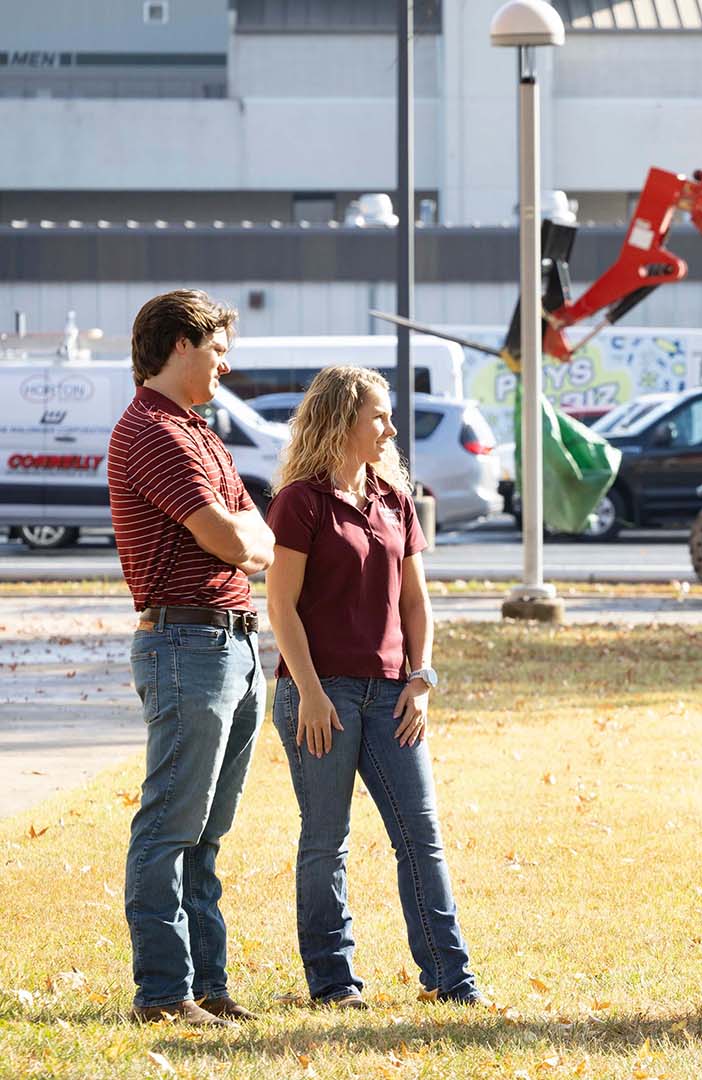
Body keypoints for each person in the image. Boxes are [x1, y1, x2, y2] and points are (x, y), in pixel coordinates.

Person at [264, 365, 482, 1009]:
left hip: (393, 695)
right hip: (319, 695)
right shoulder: (299, 502)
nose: (390, 429)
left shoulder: (394, 500)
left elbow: (416, 603)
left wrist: (421, 678)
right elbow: (281, 607)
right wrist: (308, 691)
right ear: (341, 422)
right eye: (379, 417)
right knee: (326, 841)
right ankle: (334, 985)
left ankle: (452, 978)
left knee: (421, 836)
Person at [109, 289, 275, 1027]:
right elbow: (239, 542)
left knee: (208, 834)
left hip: (233, 642)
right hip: (186, 644)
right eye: (217, 349)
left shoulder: (198, 431)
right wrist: (243, 532)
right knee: (170, 829)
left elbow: (263, 534)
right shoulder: (152, 432)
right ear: (180, 344)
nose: (226, 364)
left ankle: (209, 989)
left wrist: (246, 532)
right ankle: (162, 996)